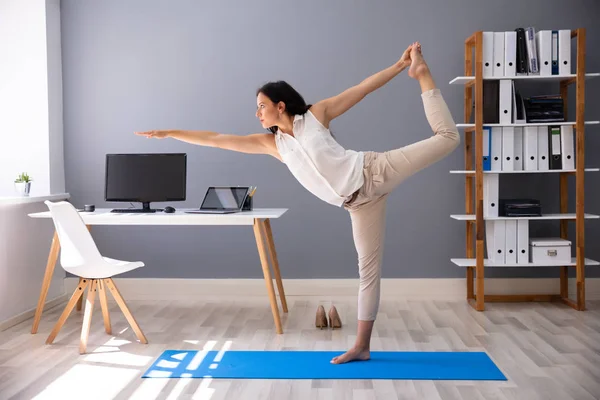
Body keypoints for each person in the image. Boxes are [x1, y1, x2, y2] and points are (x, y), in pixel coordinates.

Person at [136, 42, 460, 364]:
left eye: (260, 106)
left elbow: (361, 89)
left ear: (280, 105)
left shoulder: (316, 115)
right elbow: (218, 139)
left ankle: (423, 74)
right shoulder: (273, 145)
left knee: (448, 139)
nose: (256, 113)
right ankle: (362, 347)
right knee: (368, 274)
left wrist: (400, 66)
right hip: (359, 205)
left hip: (373, 171)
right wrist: (170, 133)